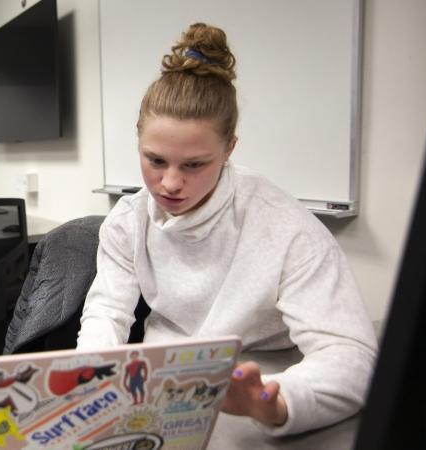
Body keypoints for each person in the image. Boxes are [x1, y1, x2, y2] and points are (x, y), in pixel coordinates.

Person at [76, 23, 377, 436]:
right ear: (139, 143)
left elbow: (352, 356)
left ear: (229, 150)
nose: (170, 184)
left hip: (255, 397)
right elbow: (106, 315)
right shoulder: (128, 222)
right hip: (159, 398)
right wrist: (88, 385)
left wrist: (274, 400)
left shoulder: (285, 228)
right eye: (155, 160)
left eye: (195, 164)